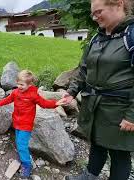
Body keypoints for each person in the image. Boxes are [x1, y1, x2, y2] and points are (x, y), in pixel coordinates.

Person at [63, 0, 134, 179]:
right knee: (96, 142)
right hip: (95, 105)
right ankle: (89, 176)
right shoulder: (97, 38)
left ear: (118, 5)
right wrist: (71, 92)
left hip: (120, 109)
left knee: (119, 153)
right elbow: (84, 68)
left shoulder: (131, 36)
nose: (94, 17)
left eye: (98, 12)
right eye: (92, 13)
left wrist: (132, 115)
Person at [0, 70, 66, 178]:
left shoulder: (33, 95)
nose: (19, 86)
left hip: (26, 125)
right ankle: (23, 156)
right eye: (18, 83)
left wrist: (55, 103)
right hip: (17, 121)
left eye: (22, 84)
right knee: (19, 142)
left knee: (21, 144)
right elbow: (8, 99)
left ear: (29, 84)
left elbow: (44, 103)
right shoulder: (16, 92)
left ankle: (27, 165)